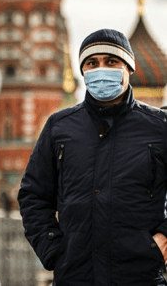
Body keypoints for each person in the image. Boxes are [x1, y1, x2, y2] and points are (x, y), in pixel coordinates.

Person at [17, 29, 167, 285]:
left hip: (139, 276)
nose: (101, 70)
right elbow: (33, 195)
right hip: (75, 276)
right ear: (83, 71)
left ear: (129, 68)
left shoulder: (158, 127)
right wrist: (53, 250)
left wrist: (162, 239)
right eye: (92, 63)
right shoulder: (59, 127)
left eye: (111, 62)